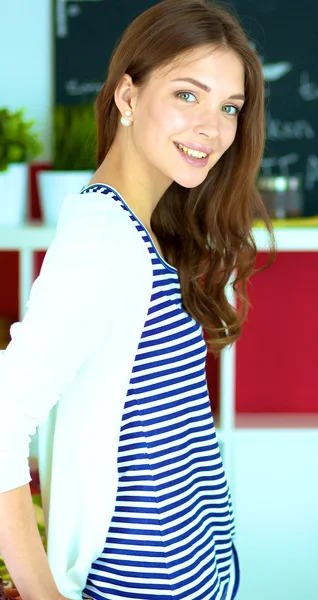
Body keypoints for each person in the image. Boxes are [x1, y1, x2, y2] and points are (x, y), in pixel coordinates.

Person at [0, 0, 275, 598]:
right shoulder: (104, 239)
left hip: (194, 571)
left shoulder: (140, 227)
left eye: (229, 107)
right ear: (127, 97)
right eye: (187, 95)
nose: (213, 127)